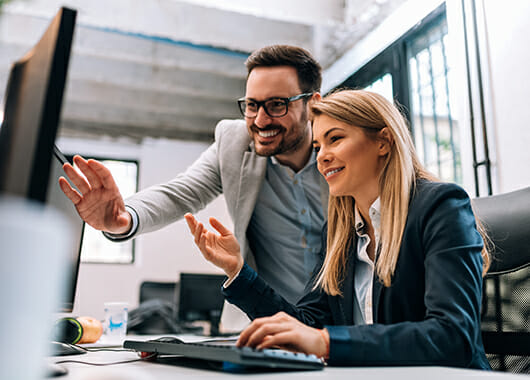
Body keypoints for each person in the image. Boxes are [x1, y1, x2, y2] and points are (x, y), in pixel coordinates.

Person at [184, 89, 491, 368]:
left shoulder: (441, 208)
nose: (322, 156)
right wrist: (238, 271)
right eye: (318, 145)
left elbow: (453, 335)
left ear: (383, 141)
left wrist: (327, 343)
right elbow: (305, 324)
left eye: (335, 139)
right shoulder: (339, 232)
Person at [58, 45, 327, 304]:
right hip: (269, 320)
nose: (260, 120)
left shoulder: (345, 152)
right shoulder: (233, 142)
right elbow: (181, 193)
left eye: (277, 104)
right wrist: (125, 217)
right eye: (252, 105)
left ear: (313, 105)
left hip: (345, 323)